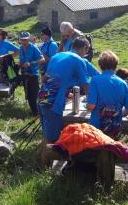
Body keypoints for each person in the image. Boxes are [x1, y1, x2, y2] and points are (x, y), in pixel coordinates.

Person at [38, 37, 90, 166]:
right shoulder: (79, 60)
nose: (86, 55)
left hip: (42, 96)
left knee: (47, 134)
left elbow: (47, 78)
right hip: (53, 102)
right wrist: (92, 101)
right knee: (52, 138)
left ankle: (42, 162)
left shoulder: (58, 55)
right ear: (84, 48)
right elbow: (86, 85)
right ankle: (44, 168)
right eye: (86, 51)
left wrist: (65, 93)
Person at [87, 51, 128, 137]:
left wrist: (87, 105)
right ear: (116, 65)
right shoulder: (122, 83)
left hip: (96, 128)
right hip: (114, 129)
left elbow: (91, 106)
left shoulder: (95, 80)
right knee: (111, 149)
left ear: (100, 65)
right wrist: (115, 113)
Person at [18, 31, 44, 116]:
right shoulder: (20, 48)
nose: (24, 42)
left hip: (34, 75)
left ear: (29, 40)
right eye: (22, 40)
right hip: (25, 75)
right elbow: (21, 60)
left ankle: (37, 113)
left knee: (34, 96)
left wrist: (31, 63)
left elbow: (42, 59)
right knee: (28, 95)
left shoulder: (34, 48)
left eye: (25, 40)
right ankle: (34, 112)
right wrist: (20, 64)